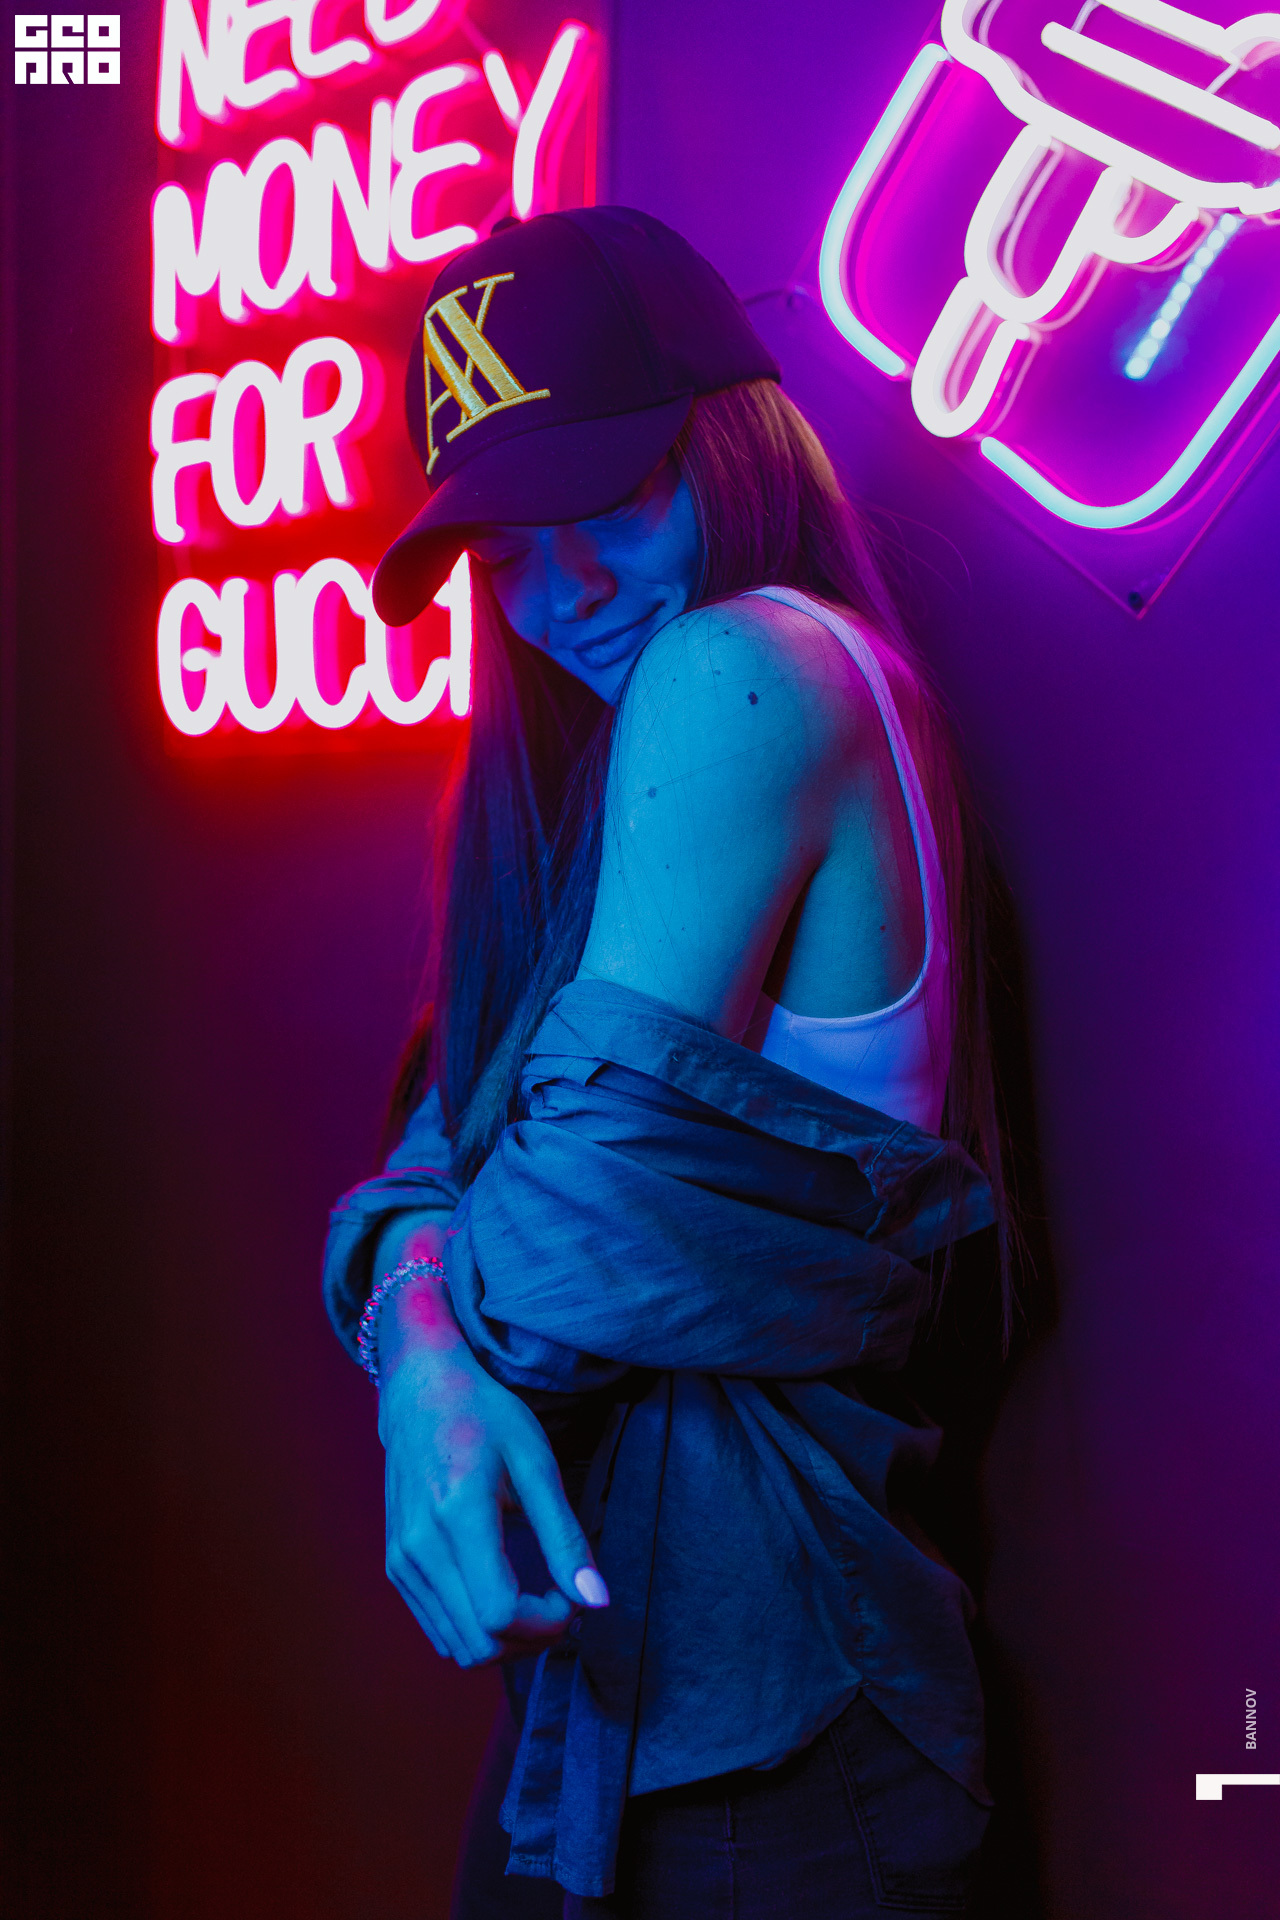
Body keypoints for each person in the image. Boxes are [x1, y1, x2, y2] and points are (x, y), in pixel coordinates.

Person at [323, 206, 1015, 1919]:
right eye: (504, 551)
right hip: (630, 1700)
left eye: (612, 500)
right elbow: (426, 1167)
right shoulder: (586, 780)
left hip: (783, 1714)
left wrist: (425, 1328)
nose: (559, 595)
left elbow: (545, 1263)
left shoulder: (742, 665)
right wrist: (422, 1360)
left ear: (733, 444)